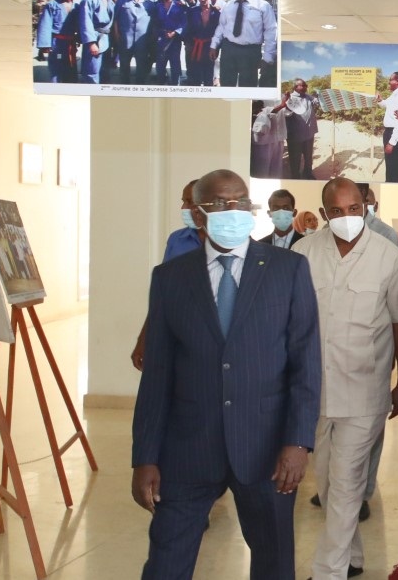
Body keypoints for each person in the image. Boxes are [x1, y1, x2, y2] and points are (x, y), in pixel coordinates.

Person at [132, 169, 321, 580]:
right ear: (198, 215)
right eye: (219, 203)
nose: (232, 210)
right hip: (187, 448)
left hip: (266, 448)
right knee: (166, 560)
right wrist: (144, 456)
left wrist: (298, 441)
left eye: (239, 201)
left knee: (273, 561)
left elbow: (306, 363)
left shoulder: (288, 270)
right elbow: (157, 374)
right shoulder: (170, 279)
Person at [292, 178, 398, 579]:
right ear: (325, 214)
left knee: (346, 483)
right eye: (338, 212)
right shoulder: (304, 253)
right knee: (327, 483)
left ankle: (329, 571)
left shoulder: (387, 256)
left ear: (366, 206)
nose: (347, 218)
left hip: (365, 388)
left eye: (354, 209)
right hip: (316, 390)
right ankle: (353, 557)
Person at [130, 179, 206, 372]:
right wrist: (143, 338)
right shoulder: (177, 240)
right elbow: (162, 294)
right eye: (183, 201)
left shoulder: (224, 243)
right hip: (175, 332)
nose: (183, 207)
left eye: (189, 202)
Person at [211, 0, 277, 88]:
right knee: (226, 84)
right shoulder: (228, 5)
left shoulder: (263, 6)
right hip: (229, 49)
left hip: (250, 52)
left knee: (248, 86)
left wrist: (268, 57)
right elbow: (221, 27)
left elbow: (271, 31)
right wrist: (214, 45)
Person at [274, 79, 319, 179]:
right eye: (301, 86)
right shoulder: (289, 98)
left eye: (305, 85)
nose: (304, 87)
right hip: (295, 135)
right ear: (295, 87)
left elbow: (316, 102)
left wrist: (318, 95)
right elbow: (285, 114)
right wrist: (288, 108)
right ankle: (295, 176)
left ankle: (308, 174)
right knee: (295, 158)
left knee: (308, 157)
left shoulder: (308, 97)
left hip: (309, 133)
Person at [35, 0, 78, 84]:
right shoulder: (52, 5)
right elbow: (45, 24)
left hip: (70, 42)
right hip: (57, 42)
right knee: (56, 68)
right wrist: (45, 45)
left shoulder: (77, 6)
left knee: (70, 67)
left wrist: (80, 38)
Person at [111, 0, 151, 84]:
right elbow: (115, 19)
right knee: (124, 65)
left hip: (142, 41)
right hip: (125, 39)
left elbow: (154, 22)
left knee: (141, 65)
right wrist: (116, 34)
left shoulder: (149, 3)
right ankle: (124, 85)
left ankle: (139, 86)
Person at [76, 0, 114, 84]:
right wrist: (91, 43)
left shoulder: (109, 1)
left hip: (105, 38)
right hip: (94, 36)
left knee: (104, 69)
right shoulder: (89, 0)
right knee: (92, 69)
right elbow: (85, 22)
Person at [150, 0, 187, 86]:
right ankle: (161, 85)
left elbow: (184, 22)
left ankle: (176, 86)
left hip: (175, 40)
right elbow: (155, 23)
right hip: (162, 39)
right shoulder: (158, 6)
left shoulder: (179, 4)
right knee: (160, 65)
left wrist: (175, 32)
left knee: (175, 65)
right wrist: (161, 32)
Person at [183, 0, 219, 87]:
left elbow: (219, 32)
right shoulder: (192, 11)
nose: (202, 0)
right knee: (195, 75)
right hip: (195, 46)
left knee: (209, 75)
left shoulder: (216, 13)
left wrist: (216, 48)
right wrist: (188, 43)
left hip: (210, 46)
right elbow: (187, 28)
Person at [250, 100, 287, 179]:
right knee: (261, 171)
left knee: (276, 170)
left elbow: (286, 112)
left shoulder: (282, 95)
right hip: (262, 141)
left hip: (278, 137)